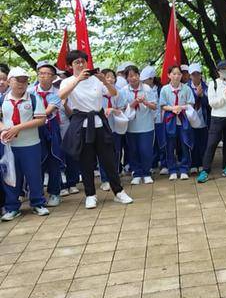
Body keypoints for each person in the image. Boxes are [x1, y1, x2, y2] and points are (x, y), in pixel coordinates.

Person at [58, 50, 133, 208]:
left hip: (99, 123)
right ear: (71, 65)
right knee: (86, 162)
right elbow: (61, 95)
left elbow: (114, 93)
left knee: (109, 160)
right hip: (82, 124)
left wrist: (104, 81)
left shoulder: (96, 80)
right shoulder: (68, 81)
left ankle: (118, 192)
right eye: (76, 62)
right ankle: (90, 194)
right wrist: (78, 79)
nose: (80, 64)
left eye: (83, 61)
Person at [0, 67, 49, 220]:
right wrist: (3, 131)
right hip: (9, 146)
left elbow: (41, 120)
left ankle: (38, 203)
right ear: (9, 81)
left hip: (30, 145)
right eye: (17, 80)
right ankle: (12, 207)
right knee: (10, 176)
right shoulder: (2, 100)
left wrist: (17, 128)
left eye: (24, 81)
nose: (21, 84)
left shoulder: (34, 98)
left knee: (34, 174)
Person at [197, 61, 226, 182]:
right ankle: (205, 170)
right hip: (217, 118)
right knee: (212, 143)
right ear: (218, 71)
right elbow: (212, 103)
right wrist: (224, 97)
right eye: (223, 69)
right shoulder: (213, 84)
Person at [31, 62, 65, 207]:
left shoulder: (56, 93)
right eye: (41, 74)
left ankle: (55, 192)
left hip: (51, 128)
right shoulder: (30, 92)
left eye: (47, 74)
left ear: (53, 77)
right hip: (33, 130)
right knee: (36, 161)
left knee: (54, 159)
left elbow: (46, 112)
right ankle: (37, 194)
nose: (44, 77)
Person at [122, 66, 157, 185]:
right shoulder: (124, 91)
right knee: (133, 150)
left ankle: (147, 173)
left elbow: (154, 106)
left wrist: (145, 102)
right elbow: (122, 108)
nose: (134, 78)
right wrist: (134, 102)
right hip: (131, 126)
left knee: (146, 150)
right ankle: (136, 173)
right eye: (130, 76)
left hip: (146, 125)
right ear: (126, 78)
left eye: (135, 75)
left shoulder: (147, 89)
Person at [160, 65, 194, 180]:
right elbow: (163, 105)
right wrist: (172, 108)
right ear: (169, 75)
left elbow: (191, 104)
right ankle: (172, 169)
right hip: (170, 119)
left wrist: (181, 107)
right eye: (173, 74)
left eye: (179, 74)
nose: (176, 76)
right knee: (170, 145)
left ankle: (184, 168)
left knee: (185, 143)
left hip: (183, 118)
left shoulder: (186, 88)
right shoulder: (165, 89)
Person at [188, 63, 209, 174]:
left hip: (203, 119)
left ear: (200, 75)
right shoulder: (186, 88)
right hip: (191, 120)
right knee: (193, 142)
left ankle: (202, 163)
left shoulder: (206, 87)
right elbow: (187, 103)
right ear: (190, 76)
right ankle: (193, 163)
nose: (196, 76)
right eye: (193, 74)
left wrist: (202, 96)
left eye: (197, 74)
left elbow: (208, 104)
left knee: (203, 143)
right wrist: (196, 95)